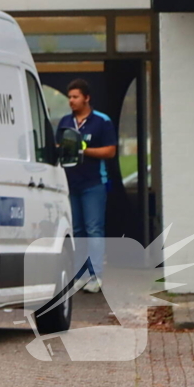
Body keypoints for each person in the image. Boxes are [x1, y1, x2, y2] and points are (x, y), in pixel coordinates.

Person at [57, 78, 117, 294]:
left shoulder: (102, 121)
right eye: (69, 97)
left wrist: (83, 152)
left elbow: (110, 151)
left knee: (94, 229)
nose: (71, 101)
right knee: (77, 231)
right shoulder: (65, 122)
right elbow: (57, 147)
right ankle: (80, 275)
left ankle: (96, 275)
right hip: (70, 184)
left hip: (93, 184)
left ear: (86, 98)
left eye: (75, 97)